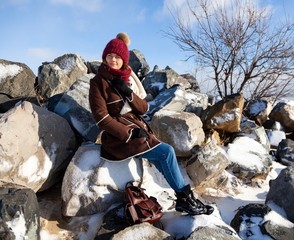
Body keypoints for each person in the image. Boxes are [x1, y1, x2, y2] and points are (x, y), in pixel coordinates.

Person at [89, 32, 213, 215]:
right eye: (109, 56)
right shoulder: (98, 82)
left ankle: (184, 199)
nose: (113, 60)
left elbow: (144, 108)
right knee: (167, 151)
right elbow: (101, 118)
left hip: (138, 127)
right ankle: (185, 198)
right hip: (119, 137)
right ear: (104, 57)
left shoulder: (128, 79)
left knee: (161, 157)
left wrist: (128, 93)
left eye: (117, 56)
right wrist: (128, 133)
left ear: (124, 59)